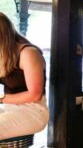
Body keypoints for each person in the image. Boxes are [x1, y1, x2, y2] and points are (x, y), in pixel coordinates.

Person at [0, 12, 49, 140]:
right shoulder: (3, 54)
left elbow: (35, 94)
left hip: (33, 112)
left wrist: (1, 98)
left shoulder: (28, 53)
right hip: (9, 108)